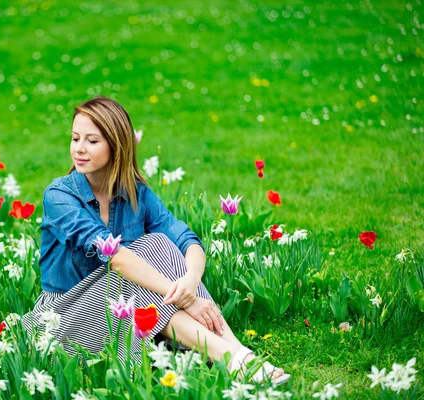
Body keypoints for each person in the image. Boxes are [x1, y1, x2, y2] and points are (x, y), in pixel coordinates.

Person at [21, 96, 289, 385]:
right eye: (75, 139)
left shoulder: (136, 193)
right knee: (149, 253)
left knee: (160, 246)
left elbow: (188, 241)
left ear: (116, 145)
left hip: (123, 304)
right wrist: (184, 297)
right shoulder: (60, 196)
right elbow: (116, 258)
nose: (79, 149)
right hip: (63, 319)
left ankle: (237, 354)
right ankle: (233, 357)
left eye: (92, 141)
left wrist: (190, 282)